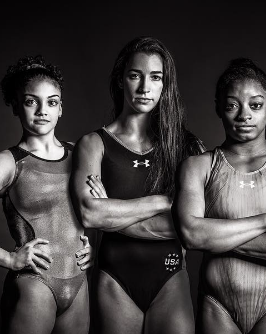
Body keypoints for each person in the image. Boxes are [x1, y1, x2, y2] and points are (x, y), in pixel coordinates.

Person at [0, 55, 93, 334]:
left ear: (61, 108)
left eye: (52, 102)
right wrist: (10, 259)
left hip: (79, 283)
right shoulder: (6, 163)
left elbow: (95, 212)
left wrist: (91, 245)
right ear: (15, 106)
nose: (42, 110)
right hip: (34, 286)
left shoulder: (80, 154)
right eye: (30, 101)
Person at [172, 58, 266, 334]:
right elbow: (192, 235)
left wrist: (217, 237)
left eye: (255, 105)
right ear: (218, 108)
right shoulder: (199, 166)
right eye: (232, 106)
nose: (244, 115)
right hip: (217, 305)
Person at [71, 36, 203, 334]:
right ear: (120, 80)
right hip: (115, 276)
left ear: (164, 84)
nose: (145, 88)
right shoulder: (94, 144)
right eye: (135, 76)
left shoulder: (185, 146)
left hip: (170, 275)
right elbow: (91, 215)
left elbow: (193, 228)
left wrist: (112, 214)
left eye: (155, 77)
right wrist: (162, 202)